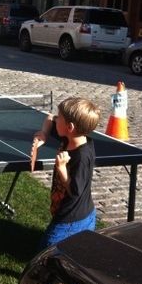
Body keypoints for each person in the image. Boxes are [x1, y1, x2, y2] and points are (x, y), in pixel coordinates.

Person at [32, 97, 101, 248]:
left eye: (60, 118)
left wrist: (62, 169)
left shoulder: (81, 157)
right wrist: (44, 133)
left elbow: (75, 191)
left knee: (46, 254)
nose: (56, 120)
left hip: (73, 219)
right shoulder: (70, 137)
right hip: (76, 214)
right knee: (74, 252)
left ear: (69, 127)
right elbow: (50, 119)